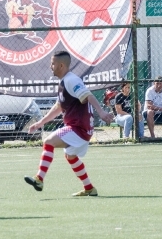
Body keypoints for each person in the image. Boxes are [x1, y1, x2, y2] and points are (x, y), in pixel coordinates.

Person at [25, 51, 114, 196]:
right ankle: (89, 188)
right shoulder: (64, 82)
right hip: (79, 128)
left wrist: (102, 112)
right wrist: (40, 123)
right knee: (70, 156)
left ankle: (39, 179)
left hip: (78, 128)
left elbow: (88, 95)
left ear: (61, 65)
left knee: (48, 142)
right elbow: (58, 107)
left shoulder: (71, 80)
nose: (50, 66)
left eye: (53, 64)